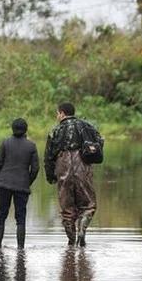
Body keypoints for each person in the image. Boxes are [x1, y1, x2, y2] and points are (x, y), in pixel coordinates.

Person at [44, 102, 103, 247]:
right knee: (89, 205)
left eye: (57, 113)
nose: (57, 116)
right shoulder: (86, 126)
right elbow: (99, 142)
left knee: (67, 209)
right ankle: (82, 230)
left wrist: (50, 176)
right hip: (82, 166)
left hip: (62, 166)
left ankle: (71, 242)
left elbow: (48, 156)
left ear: (62, 113)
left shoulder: (55, 131)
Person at [0, 118, 40, 249]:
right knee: (21, 216)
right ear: (26, 130)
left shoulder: (5, 143)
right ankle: (20, 247)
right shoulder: (31, 146)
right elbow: (35, 169)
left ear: (12, 129)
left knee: (1, 213)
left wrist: (0, 178)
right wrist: (27, 182)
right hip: (22, 186)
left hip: (3, 184)